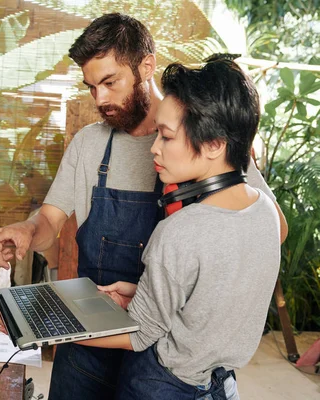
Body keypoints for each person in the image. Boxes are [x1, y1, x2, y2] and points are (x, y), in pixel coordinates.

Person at [0, 13, 287, 399]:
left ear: (146, 66)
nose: (101, 99)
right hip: (89, 353)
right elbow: (50, 219)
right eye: (92, 87)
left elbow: (269, 228)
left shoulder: (208, 139)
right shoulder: (90, 144)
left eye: (110, 82)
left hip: (167, 362)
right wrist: (28, 231)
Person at [74, 57, 280, 400]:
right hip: (221, 387)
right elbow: (213, 302)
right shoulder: (265, 211)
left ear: (215, 144)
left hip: (160, 386)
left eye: (166, 136)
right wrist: (147, 292)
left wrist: (43, 331)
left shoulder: (181, 229)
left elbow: (139, 335)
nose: (154, 147)